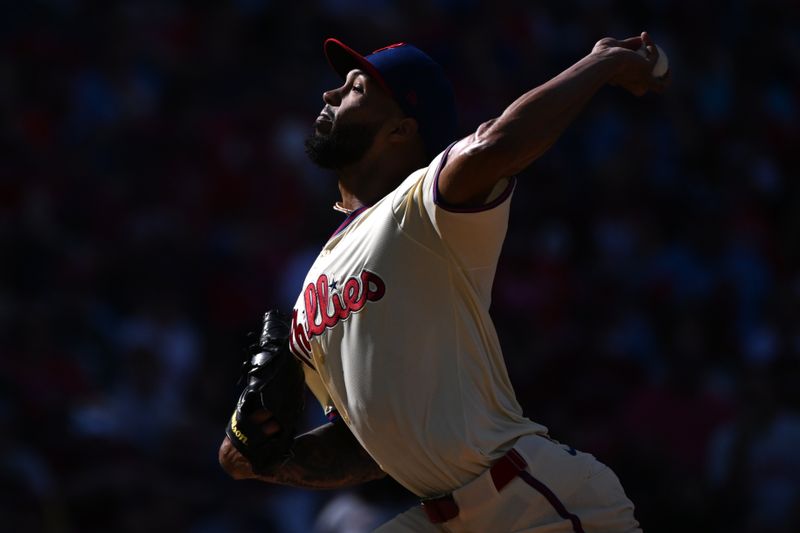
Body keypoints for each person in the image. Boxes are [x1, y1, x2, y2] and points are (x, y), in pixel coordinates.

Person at [219, 32, 668, 532]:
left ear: (401, 129)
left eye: (356, 88)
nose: (330, 95)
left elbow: (497, 143)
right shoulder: (313, 287)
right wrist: (260, 456)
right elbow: (364, 447)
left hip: (531, 501)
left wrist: (599, 63)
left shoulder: (424, 207)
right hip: (444, 515)